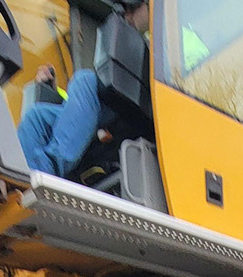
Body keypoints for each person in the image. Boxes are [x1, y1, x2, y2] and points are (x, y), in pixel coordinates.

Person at [18, 1, 150, 179]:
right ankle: (19, 173)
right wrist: (55, 92)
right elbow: (78, 111)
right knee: (37, 116)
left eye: (134, 8)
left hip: (144, 114)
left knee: (84, 79)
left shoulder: (165, 46)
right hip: (115, 106)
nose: (127, 14)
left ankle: (45, 170)